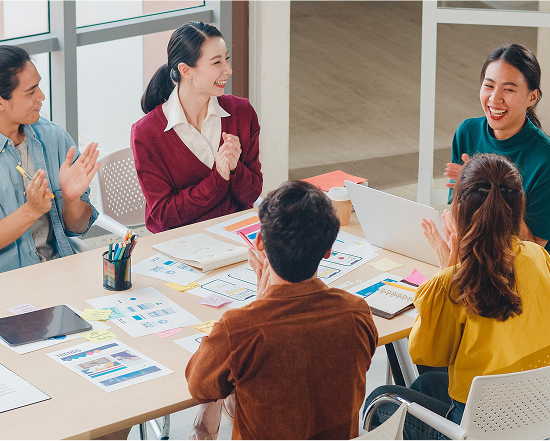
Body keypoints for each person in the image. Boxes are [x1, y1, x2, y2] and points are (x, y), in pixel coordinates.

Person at [365, 154, 550, 439]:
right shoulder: (539, 256)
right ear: (517, 207)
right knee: (426, 385)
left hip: (476, 429)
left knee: (380, 400)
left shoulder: (451, 284)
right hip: (536, 416)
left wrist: (449, 273)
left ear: (459, 209)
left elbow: (428, 354)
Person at [185, 180, 379, 440]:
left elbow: (198, 387)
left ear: (260, 242)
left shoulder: (240, 328)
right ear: (329, 249)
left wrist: (258, 305)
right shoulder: (356, 314)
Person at [131, 21, 262, 234]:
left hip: (237, 237)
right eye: (217, 63)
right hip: (180, 245)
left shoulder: (242, 112)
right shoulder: (146, 133)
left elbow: (252, 194)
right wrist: (219, 178)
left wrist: (236, 168)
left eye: (226, 59)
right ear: (186, 71)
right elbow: (164, 215)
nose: (228, 70)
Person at [0, 45, 100, 273]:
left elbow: (79, 226)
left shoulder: (53, 137)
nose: (41, 96)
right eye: (30, 91)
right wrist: (31, 210)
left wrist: (71, 199)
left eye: (39, 86)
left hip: (58, 274)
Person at [444, 43, 550, 252]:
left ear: (532, 97)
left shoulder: (544, 158)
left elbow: (533, 247)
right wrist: (462, 192)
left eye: (509, 89)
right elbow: (458, 217)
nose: (495, 99)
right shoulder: (467, 132)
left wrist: (495, 193)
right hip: (475, 255)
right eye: (489, 86)